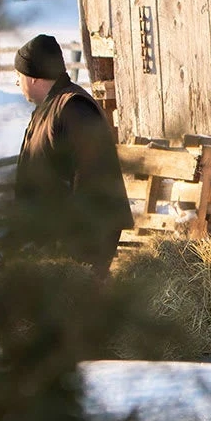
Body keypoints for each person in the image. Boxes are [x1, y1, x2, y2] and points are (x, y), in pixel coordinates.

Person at [11, 34, 133, 277]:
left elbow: (92, 180)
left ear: (33, 77)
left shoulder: (74, 109)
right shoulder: (48, 110)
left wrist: (70, 251)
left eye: (19, 76)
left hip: (79, 246)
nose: (17, 83)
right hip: (53, 244)